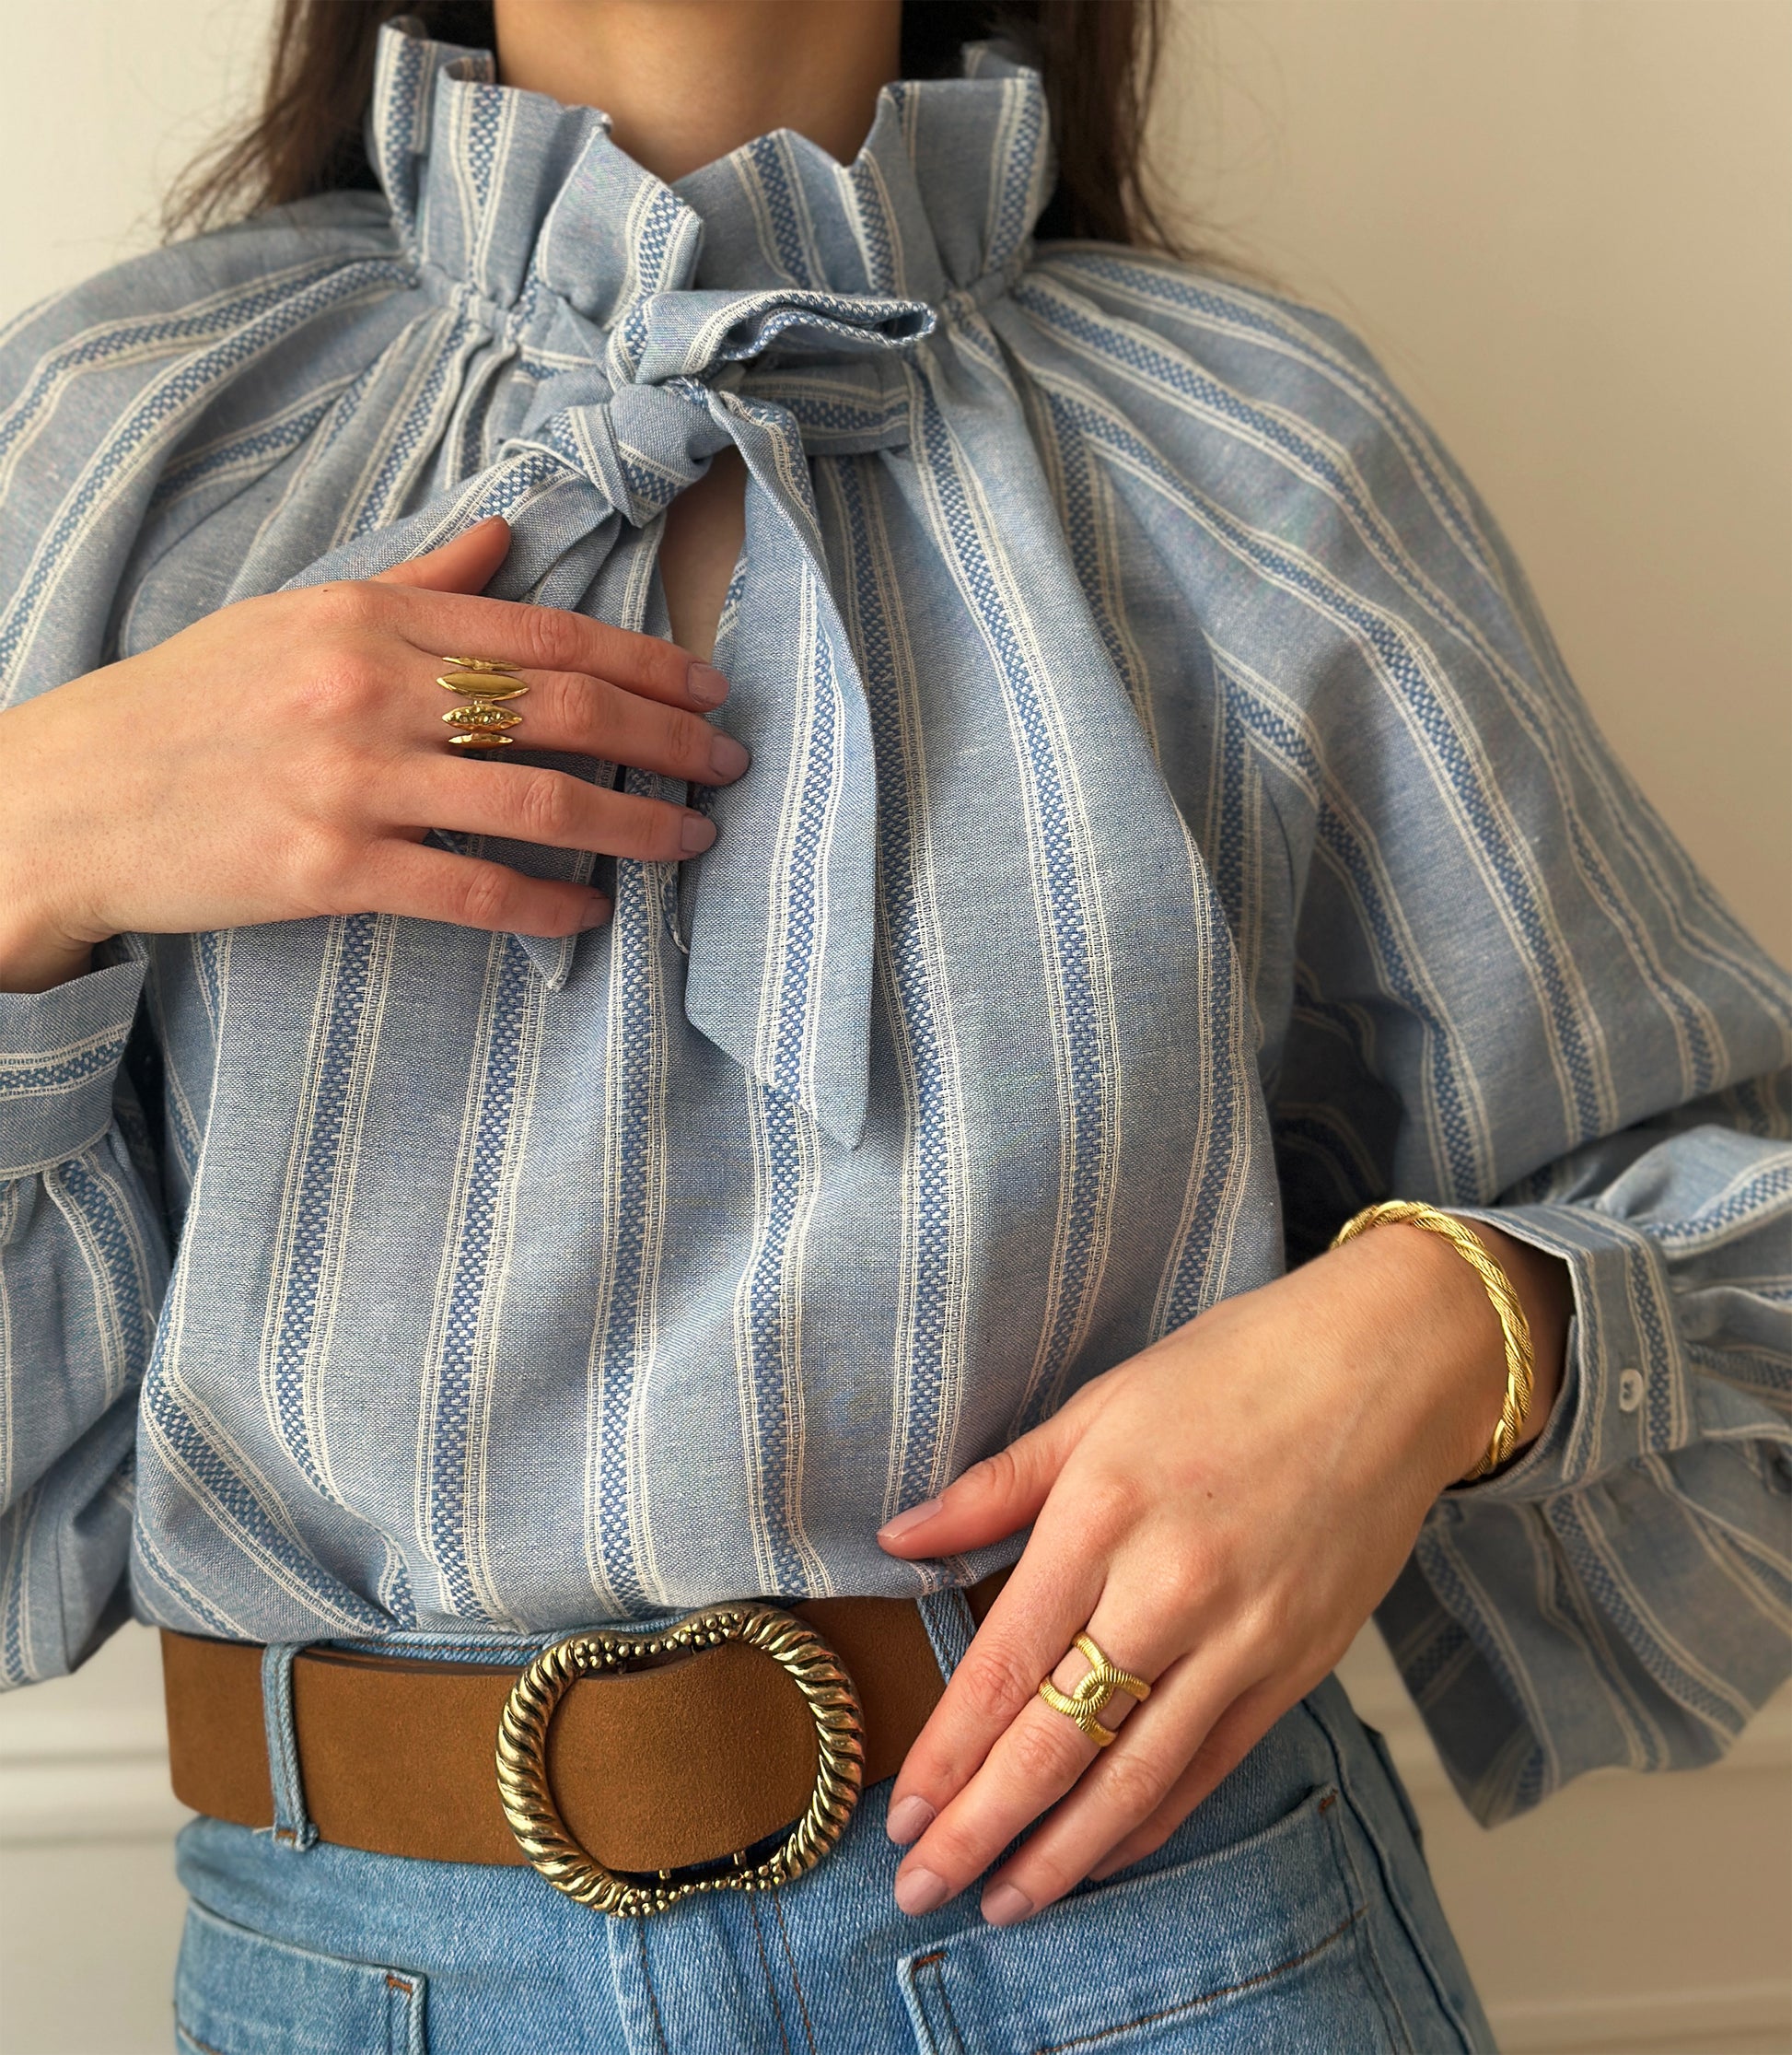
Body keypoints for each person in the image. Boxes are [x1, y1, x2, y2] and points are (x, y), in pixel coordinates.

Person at [1, 0, 1786, 2047]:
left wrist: (1443, 1332)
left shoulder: (1255, 442)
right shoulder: (116, 435)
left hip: (1153, 1950)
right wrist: (26, 839)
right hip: (358, 1983)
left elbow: (1739, 1231)